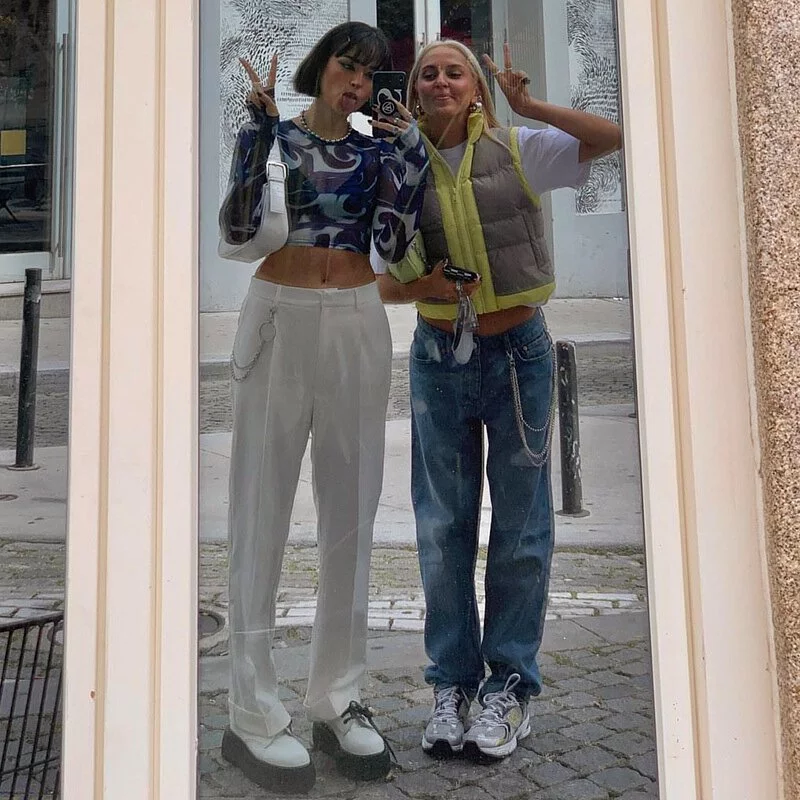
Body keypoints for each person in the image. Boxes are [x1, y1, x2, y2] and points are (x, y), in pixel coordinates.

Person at [375, 40, 621, 761]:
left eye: (455, 71)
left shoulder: (519, 149)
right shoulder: (397, 167)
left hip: (518, 355)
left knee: (520, 529)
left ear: (476, 88)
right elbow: (381, 281)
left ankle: (508, 687)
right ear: (414, 92)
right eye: (428, 73)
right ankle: (451, 685)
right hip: (438, 356)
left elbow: (609, 138)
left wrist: (532, 104)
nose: (441, 81)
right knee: (441, 527)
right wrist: (428, 287)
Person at [219, 22, 428, 793]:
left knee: (351, 515)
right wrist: (254, 133)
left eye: (371, 75)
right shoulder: (273, 136)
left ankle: (337, 699)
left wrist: (411, 155)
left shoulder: (378, 151)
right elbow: (238, 228)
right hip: (278, 316)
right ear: (323, 66)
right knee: (259, 509)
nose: (359, 84)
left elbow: (395, 244)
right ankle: (251, 710)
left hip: (355, 322)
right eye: (349, 67)